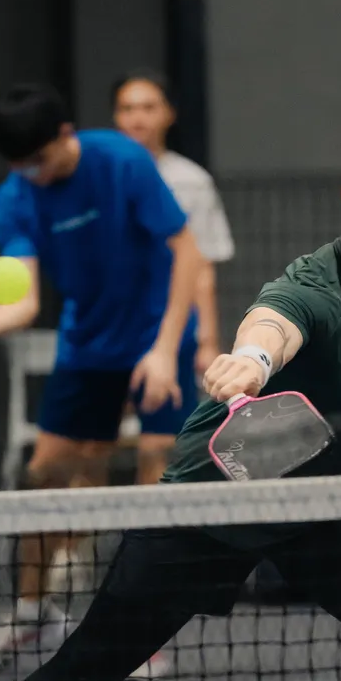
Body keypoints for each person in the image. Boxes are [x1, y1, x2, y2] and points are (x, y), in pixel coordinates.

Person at [20, 111, 341, 681]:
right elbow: (274, 323)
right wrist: (253, 360)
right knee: (88, 666)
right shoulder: (314, 284)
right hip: (214, 500)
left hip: (324, 507)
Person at [0, 83, 203, 677]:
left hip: (160, 338)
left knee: (156, 482)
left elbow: (187, 252)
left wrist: (163, 351)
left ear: (64, 134)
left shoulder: (122, 161)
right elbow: (24, 302)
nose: (32, 172)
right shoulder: (15, 198)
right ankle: (33, 611)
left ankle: (143, 632)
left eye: (38, 159)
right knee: (45, 477)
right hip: (88, 347)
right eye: (19, 165)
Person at [112, 70, 236, 484]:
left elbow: (201, 266)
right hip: (109, 329)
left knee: (161, 445)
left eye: (149, 107)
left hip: (170, 331)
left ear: (169, 114)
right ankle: (76, 532)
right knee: (85, 447)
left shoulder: (192, 182)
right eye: (128, 108)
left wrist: (207, 340)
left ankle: (150, 525)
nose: (138, 117)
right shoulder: (97, 177)